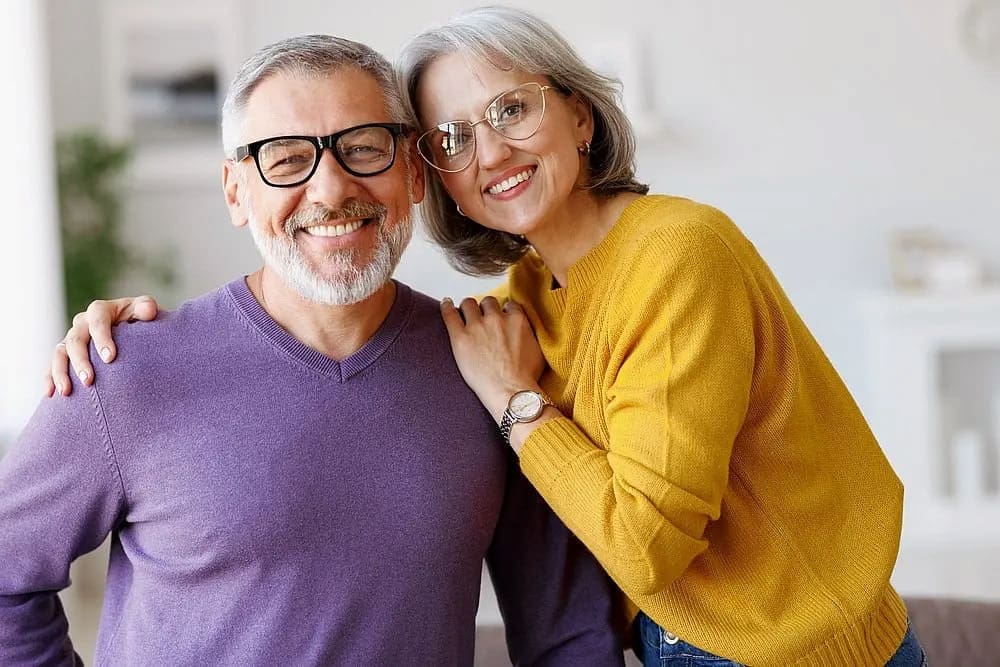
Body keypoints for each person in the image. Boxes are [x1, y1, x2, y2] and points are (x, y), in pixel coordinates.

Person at [45, 7, 928, 667]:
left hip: (784, 644)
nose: (490, 153)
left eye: (512, 110)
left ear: (579, 117)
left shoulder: (643, 273)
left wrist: (516, 403)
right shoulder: (519, 307)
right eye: (453, 137)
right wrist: (136, 352)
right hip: (681, 636)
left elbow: (611, 574)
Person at [2, 34, 625, 666]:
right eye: (287, 158)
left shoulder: (493, 370)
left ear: (413, 172)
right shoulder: (126, 371)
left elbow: (567, 632)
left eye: (362, 149)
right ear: (236, 192)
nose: (330, 191)